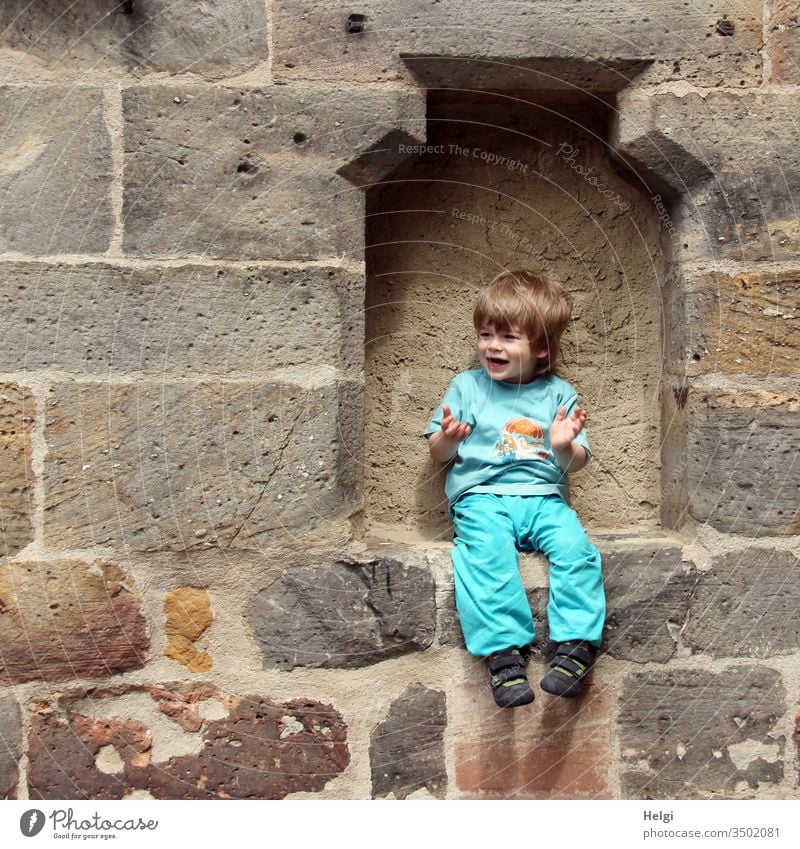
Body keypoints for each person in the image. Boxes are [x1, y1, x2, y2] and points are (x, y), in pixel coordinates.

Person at [424, 269, 605, 707]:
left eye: (507, 337)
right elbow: (438, 454)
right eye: (485, 334)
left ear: (541, 347)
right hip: (481, 498)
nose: (492, 345)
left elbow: (575, 461)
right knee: (485, 556)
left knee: (576, 550)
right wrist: (450, 436)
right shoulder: (467, 386)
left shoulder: (559, 394)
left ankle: (577, 645)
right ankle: (504, 655)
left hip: (543, 499)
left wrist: (563, 445)